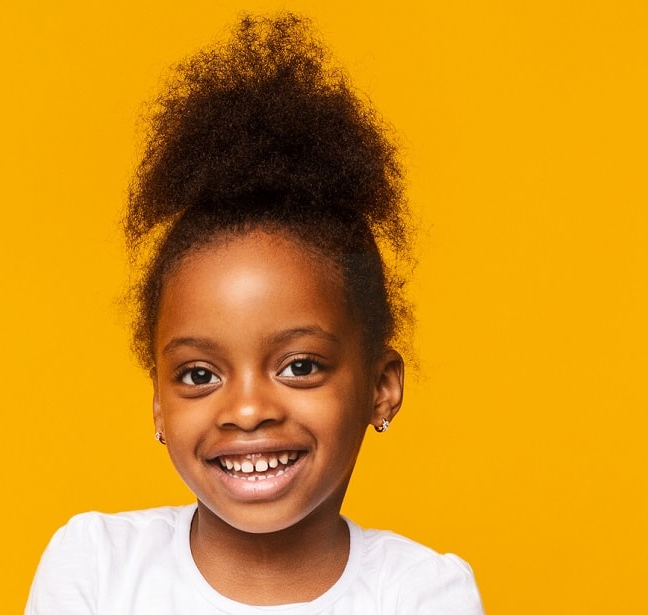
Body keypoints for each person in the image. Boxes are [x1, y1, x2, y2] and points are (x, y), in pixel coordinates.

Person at [25, 13, 484, 614]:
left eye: (299, 366)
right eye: (198, 375)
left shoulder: (422, 594)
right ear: (158, 401)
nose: (246, 411)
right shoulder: (97, 566)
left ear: (381, 387)